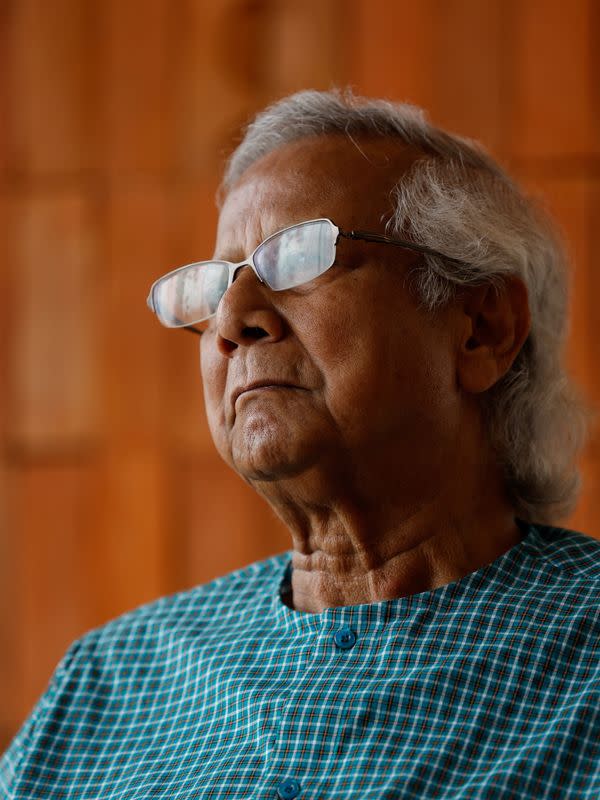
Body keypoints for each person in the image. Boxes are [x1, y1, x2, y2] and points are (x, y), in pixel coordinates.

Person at [1, 89, 599, 799]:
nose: (233, 320)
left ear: (480, 329)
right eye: (219, 285)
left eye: (298, 258)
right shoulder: (109, 683)